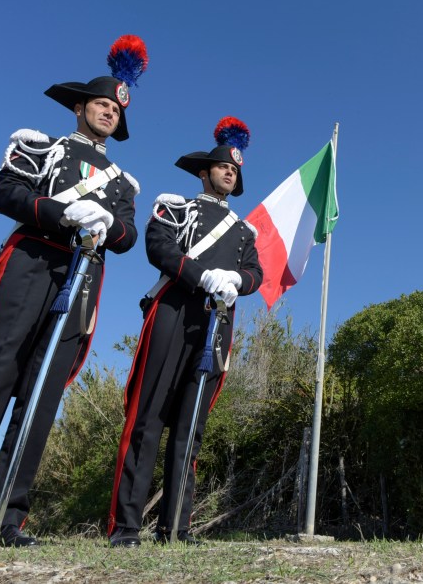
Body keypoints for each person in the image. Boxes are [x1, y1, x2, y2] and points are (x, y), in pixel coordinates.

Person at [0, 36, 148, 549]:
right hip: (29, 264)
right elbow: (6, 193)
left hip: (82, 279)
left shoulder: (124, 184)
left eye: (115, 109)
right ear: (81, 107)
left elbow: (127, 238)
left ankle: (6, 519)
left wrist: (107, 224)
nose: (108, 112)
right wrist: (61, 212)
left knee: (40, 403)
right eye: (101, 104)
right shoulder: (43, 146)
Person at [107, 117, 262, 548]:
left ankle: (176, 526)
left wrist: (236, 283)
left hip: (217, 321)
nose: (230, 172)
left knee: (192, 426)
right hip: (175, 308)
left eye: (235, 170)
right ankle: (126, 527)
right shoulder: (175, 206)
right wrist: (202, 275)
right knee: (149, 416)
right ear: (203, 171)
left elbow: (256, 274)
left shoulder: (244, 232)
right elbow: (159, 247)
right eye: (222, 166)